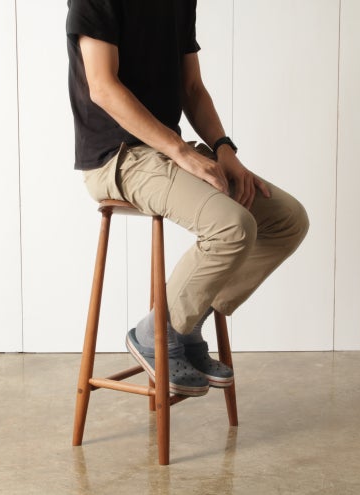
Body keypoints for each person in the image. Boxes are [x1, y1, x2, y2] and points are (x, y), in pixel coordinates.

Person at [66, 0, 309, 397]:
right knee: (233, 227)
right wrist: (180, 151)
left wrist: (224, 149)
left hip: (167, 150)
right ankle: (157, 332)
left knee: (287, 220)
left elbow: (192, 88)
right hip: (116, 157)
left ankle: (185, 322)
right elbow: (103, 87)